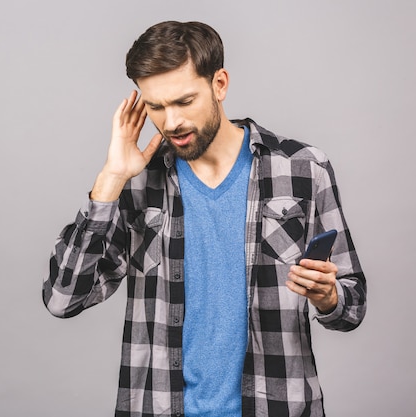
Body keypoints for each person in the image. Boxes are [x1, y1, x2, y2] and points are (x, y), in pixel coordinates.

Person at [43, 21, 366, 417]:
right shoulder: (137, 182)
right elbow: (63, 298)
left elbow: (352, 305)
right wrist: (110, 179)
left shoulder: (302, 169)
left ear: (220, 84)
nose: (171, 121)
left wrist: (329, 297)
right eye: (156, 107)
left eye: (184, 101)